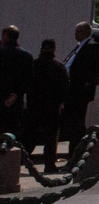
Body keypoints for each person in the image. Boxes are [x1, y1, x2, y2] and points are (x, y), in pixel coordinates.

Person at [23, 38, 68, 172]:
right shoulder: (59, 67)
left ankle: (21, 161)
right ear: (54, 49)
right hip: (52, 108)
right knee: (50, 139)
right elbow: (65, 88)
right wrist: (60, 103)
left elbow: (26, 83)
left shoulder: (33, 65)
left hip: (33, 106)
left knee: (28, 137)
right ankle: (49, 165)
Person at [61, 22, 99, 145]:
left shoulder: (92, 46)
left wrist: (89, 80)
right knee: (71, 121)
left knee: (77, 122)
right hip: (72, 88)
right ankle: (73, 147)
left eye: (78, 31)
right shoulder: (80, 46)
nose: (75, 34)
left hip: (80, 91)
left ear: (85, 32)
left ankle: (76, 149)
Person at [0, 25, 31, 139]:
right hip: (16, 102)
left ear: (6, 35)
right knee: (12, 132)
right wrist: (15, 94)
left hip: (1, 97)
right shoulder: (26, 55)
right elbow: (28, 80)